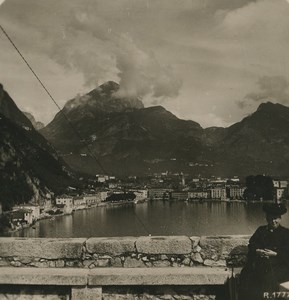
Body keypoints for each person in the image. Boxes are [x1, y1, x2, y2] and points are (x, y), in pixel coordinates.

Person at [238, 202, 289, 300]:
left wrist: (275, 254)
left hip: (279, 265)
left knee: (268, 279)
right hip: (261, 263)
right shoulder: (261, 231)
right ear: (267, 219)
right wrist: (257, 251)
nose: (273, 221)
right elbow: (252, 244)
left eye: (275, 218)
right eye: (270, 218)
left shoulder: (286, 233)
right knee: (246, 275)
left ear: (280, 219)